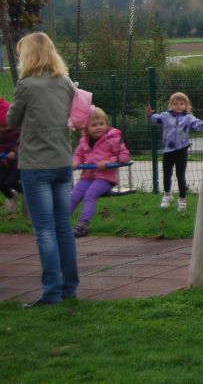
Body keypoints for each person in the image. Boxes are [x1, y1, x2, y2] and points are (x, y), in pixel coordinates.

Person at [7, 32, 79, 306]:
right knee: (63, 227)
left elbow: (13, 119)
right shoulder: (64, 82)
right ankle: (70, 287)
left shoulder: (26, 85)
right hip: (62, 161)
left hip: (36, 164)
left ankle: (51, 292)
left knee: (45, 230)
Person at [69, 107, 131, 238]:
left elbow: (124, 155)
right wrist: (75, 161)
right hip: (87, 176)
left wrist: (109, 161)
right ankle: (60, 223)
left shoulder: (112, 138)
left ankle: (83, 225)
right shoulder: (84, 141)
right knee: (74, 195)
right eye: (94, 125)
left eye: (101, 124)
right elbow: (78, 154)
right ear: (86, 128)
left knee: (89, 195)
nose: (98, 127)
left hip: (105, 178)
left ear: (107, 124)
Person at [146, 92, 203, 212]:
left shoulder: (188, 118)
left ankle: (182, 199)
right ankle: (167, 195)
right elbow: (155, 119)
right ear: (171, 105)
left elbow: (198, 125)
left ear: (186, 105)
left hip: (181, 151)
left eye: (181, 103)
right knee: (167, 174)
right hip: (168, 151)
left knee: (180, 175)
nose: (178, 106)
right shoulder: (165, 116)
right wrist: (149, 115)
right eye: (175, 103)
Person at [0, 97, 22, 214]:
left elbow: (21, 141)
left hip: (17, 161)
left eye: (4, 126)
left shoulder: (17, 130)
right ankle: (11, 195)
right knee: (1, 182)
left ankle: (29, 195)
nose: (3, 129)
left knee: (11, 182)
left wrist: (15, 151)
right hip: (4, 161)